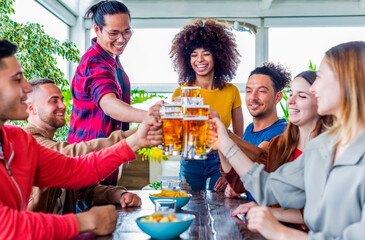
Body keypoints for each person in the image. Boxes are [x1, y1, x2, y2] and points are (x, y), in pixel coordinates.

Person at [0, 39, 162, 239]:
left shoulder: (18, 141)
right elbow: (6, 227)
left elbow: (75, 170)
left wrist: (137, 140)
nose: (26, 87)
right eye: (17, 79)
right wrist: (85, 222)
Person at [208, 41, 365, 239]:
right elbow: (266, 188)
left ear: (349, 83)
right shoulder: (321, 147)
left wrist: (280, 232)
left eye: (321, 77)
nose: (314, 88)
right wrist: (223, 140)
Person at [68, 1, 161, 185]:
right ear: (97, 29)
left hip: (107, 155)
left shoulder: (112, 59)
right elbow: (109, 104)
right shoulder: (94, 62)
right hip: (88, 158)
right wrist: (150, 116)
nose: (122, 39)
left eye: (126, 31)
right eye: (114, 33)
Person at [223, 71, 331, 230]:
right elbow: (246, 184)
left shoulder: (331, 150)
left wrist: (226, 137)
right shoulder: (280, 144)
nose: (291, 101)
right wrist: (220, 139)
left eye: (301, 96)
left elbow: (321, 212)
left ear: (322, 102)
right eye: (291, 94)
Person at [24, 78, 144, 214]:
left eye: (62, 100)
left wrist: (120, 195)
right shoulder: (29, 143)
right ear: (31, 108)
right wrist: (139, 135)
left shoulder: (51, 144)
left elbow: (85, 189)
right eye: (54, 100)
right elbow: (75, 153)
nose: (63, 106)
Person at [170, 19, 243, 190]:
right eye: (194, 54)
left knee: (222, 206)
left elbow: (238, 137)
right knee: (191, 206)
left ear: (218, 55)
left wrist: (230, 171)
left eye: (206, 53)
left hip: (221, 159)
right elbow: (175, 136)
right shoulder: (182, 93)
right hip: (191, 161)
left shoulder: (231, 91)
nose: (199, 59)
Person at [214, 62, 291, 192]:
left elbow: (260, 157)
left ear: (277, 97)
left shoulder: (282, 130)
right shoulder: (250, 129)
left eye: (261, 91)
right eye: (249, 91)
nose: (253, 97)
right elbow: (243, 170)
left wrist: (226, 134)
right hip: (249, 208)